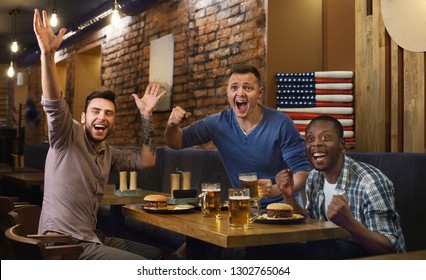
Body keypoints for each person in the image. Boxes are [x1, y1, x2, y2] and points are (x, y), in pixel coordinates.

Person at [33, 9, 165, 260]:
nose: (102, 117)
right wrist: (47, 55)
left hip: (90, 236)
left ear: (113, 121)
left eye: (108, 113)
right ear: (83, 117)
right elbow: (52, 101)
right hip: (63, 244)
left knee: (154, 254)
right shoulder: (65, 135)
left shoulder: (108, 153)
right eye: (95, 111)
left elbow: (146, 160)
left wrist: (147, 117)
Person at [165, 64, 310, 208]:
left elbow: (303, 173)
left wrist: (275, 189)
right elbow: (176, 142)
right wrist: (172, 126)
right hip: (244, 206)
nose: (240, 93)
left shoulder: (281, 123)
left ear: (260, 93)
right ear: (227, 93)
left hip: (284, 203)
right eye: (234, 87)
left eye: (247, 88)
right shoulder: (216, 123)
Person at [275, 115, 406, 259]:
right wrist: (288, 197)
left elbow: (390, 248)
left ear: (342, 144)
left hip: (369, 260)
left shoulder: (371, 183)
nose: (316, 144)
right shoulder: (314, 177)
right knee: (270, 248)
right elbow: (311, 223)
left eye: (325, 138)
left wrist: (349, 223)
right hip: (329, 254)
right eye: (310, 139)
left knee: (323, 247)